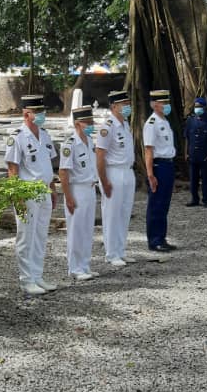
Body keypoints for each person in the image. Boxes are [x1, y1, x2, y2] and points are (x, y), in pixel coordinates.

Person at [4, 95, 59, 295]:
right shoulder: (17, 136)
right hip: (27, 192)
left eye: (43, 111)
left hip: (44, 189)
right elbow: (12, 170)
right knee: (26, 236)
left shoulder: (44, 134)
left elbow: (48, 164)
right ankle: (26, 280)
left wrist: (52, 188)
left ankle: (37, 276)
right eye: (38, 112)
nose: (42, 115)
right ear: (27, 114)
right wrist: (17, 197)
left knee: (40, 234)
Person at [96, 90, 136, 267]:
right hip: (113, 173)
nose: (128, 106)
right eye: (124, 104)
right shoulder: (107, 127)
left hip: (127, 171)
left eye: (128, 103)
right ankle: (111, 253)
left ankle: (121, 250)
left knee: (124, 213)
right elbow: (100, 156)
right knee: (112, 213)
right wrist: (104, 181)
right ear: (114, 106)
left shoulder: (125, 124)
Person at [61, 106, 99, 280]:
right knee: (76, 230)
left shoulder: (90, 141)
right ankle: (75, 268)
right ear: (78, 123)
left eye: (92, 122)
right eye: (88, 122)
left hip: (90, 188)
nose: (91, 125)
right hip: (77, 190)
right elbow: (63, 172)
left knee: (87, 230)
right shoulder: (70, 144)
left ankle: (84, 264)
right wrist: (68, 196)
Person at [143, 89, 178, 252]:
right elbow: (148, 150)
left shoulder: (164, 121)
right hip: (159, 166)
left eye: (167, 102)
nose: (167, 105)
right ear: (155, 105)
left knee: (164, 204)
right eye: (164, 103)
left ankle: (161, 237)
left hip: (168, 165)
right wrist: (150, 174)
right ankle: (154, 240)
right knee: (156, 204)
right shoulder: (152, 123)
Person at [184, 97, 207, 208]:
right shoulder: (190, 120)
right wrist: (186, 152)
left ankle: (206, 200)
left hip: (205, 155)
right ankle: (194, 199)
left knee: (206, 179)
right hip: (193, 154)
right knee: (193, 179)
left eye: (199, 106)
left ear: (205, 107)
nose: (197, 108)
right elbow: (187, 138)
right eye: (196, 106)